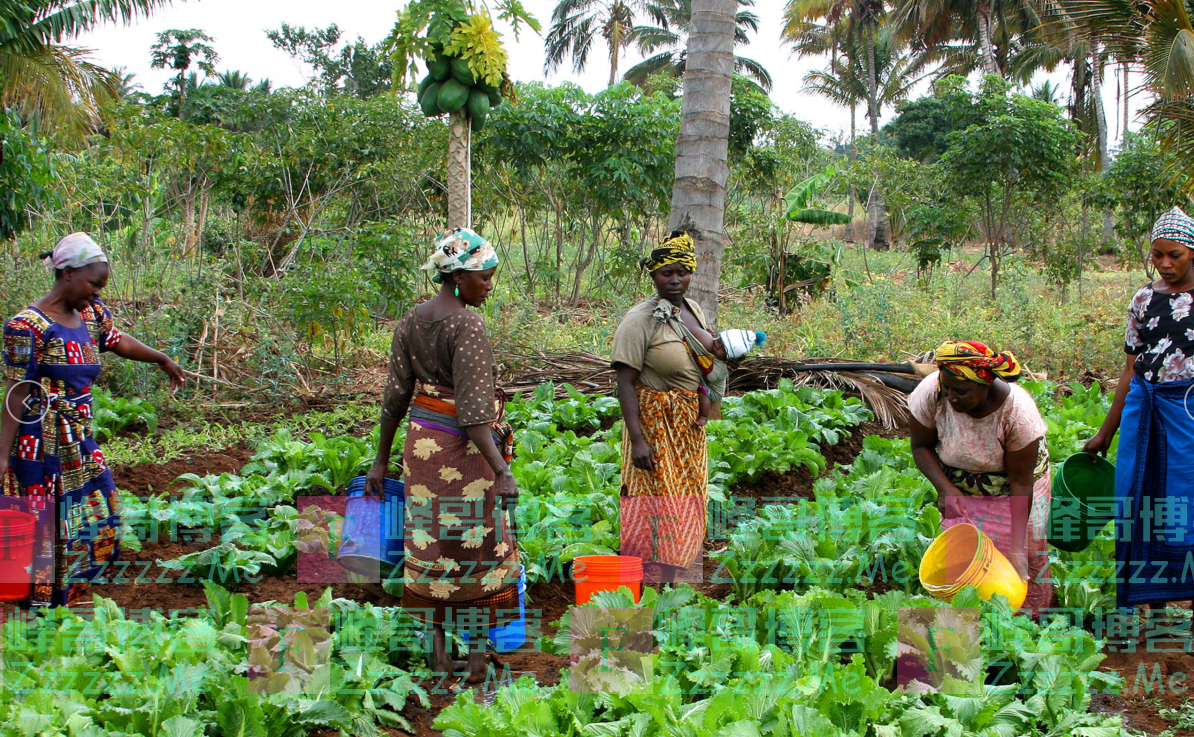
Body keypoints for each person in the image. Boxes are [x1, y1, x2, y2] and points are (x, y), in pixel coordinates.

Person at [365, 227, 519, 687]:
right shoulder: (467, 324)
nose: (490, 286)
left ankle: (438, 660)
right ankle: (474, 665)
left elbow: (394, 398)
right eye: (485, 278)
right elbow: (474, 414)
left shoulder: (412, 320)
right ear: (458, 278)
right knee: (474, 549)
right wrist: (502, 470)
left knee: (431, 547)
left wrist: (380, 461)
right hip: (465, 452)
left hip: (422, 449)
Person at [0, 233, 184, 608]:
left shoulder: (90, 314)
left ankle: (75, 588)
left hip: (79, 435)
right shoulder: (26, 326)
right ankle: (44, 602)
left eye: (101, 286)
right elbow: (16, 391)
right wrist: (2, 454)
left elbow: (118, 340)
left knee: (103, 509)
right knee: (47, 520)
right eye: (93, 283)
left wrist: (161, 358)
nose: (97, 293)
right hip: (40, 441)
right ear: (66, 273)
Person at [1085, 206, 1194, 616]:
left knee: (1185, 500)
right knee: (1134, 497)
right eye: (1158, 255)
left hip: (1187, 412)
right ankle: (1150, 604)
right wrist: (1106, 431)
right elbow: (1130, 369)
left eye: (1176, 255)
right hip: (1143, 408)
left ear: (1192, 253)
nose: (1165, 264)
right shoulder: (1144, 299)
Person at [908, 340, 1054, 616]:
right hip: (960, 486)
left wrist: (1018, 549)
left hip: (1017, 488)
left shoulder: (1017, 413)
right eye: (946, 387)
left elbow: (1021, 484)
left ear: (984, 386)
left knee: (1025, 556)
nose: (951, 397)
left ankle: (1032, 625)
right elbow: (920, 446)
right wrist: (945, 489)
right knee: (962, 558)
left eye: (961, 391)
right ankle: (966, 630)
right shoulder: (931, 392)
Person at [611, 231, 711, 584]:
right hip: (655, 426)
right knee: (654, 503)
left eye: (682, 271)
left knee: (687, 499)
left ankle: (675, 580)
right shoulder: (639, 321)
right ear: (653, 277)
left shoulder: (692, 310)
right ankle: (646, 584)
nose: (675, 279)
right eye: (666, 273)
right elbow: (625, 383)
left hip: (688, 428)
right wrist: (637, 440)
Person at [689, 328, 766, 427]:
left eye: (723, 349)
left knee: (702, 392)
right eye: (719, 341)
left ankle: (703, 416)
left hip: (713, 392)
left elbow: (709, 377)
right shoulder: (713, 350)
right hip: (708, 382)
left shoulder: (720, 368)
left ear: (729, 357)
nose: (717, 346)